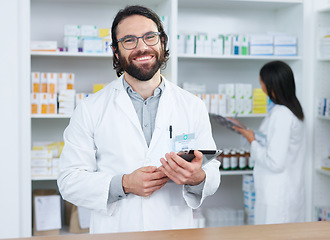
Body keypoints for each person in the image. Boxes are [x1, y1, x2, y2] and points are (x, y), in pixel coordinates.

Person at [57, 5, 220, 234]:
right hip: (116, 231)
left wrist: (197, 177)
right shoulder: (90, 109)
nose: (142, 47)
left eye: (150, 37)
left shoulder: (192, 106)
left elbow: (212, 173)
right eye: (129, 40)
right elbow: (69, 180)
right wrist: (124, 184)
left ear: (162, 42)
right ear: (115, 51)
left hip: (172, 230)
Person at [231, 61, 306, 224]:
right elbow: (272, 141)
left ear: (271, 85)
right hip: (281, 191)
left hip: (278, 195)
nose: (261, 87)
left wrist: (252, 141)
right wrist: (245, 131)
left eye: (261, 83)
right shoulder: (289, 109)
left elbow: (275, 162)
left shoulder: (282, 114)